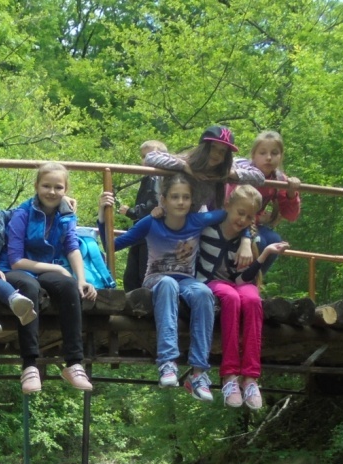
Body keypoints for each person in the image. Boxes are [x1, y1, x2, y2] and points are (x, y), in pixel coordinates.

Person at [102, 174, 221, 401]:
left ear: (191, 201)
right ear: (163, 200)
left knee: (205, 293)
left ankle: (199, 372)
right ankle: (167, 362)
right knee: (167, 284)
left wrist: (246, 237)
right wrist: (102, 215)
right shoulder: (150, 222)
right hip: (156, 278)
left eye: (185, 197)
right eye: (175, 197)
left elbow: (233, 214)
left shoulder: (197, 220)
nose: (180, 202)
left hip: (186, 279)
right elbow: (111, 245)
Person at [196, 185, 289, 410]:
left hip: (236, 282)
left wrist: (265, 253)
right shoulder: (208, 229)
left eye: (249, 216)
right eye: (240, 213)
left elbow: (243, 278)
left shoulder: (248, 240)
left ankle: (250, 378)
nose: (243, 219)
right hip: (209, 282)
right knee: (231, 298)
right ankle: (229, 376)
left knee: (252, 299)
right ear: (227, 206)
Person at [6, 162, 97, 393]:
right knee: (29, 287)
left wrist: (81, 279)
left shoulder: (66, 215)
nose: (52, 192)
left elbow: (72, 246)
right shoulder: (22, 213)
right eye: (46, 186)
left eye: (58, 187)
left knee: (68, 286)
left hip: (48, 269)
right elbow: (16, 260)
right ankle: (29, 364)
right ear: (36, 186)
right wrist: (57, 269)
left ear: (65, 189)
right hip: (19, 269)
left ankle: (75, 363)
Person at [143, 125, 264, 212]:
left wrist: (231, 174)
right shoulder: (186, 160)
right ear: (204, 148)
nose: (217, 154)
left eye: (222, 151)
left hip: (195, 220)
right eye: (213, 148)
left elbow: (259, 177)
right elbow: (151, 157)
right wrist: (184, 167)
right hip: (168, 215)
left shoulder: (226, 168)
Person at [227, 130, 301, 271]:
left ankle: (254, 281)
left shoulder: (279, 179)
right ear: (254, 155)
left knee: (274, 242)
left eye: (274, 153)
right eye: (262, 153)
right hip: (234, 219)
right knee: (258, 242)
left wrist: (291, 193)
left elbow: (291, 216)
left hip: (253, 223)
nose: (268, 158)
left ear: (281, 156)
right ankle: (238, 277)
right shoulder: (243, 173)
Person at [116, 140, 167, 292]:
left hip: (150, 233)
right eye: (143, 156)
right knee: (131, 276)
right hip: (140, 231)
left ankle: (144, 308)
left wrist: (132, 212)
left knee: (143, 274)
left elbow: (152, 206)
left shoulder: (157, 178)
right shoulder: (148, 177)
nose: (146, 160)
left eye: (151, 155)